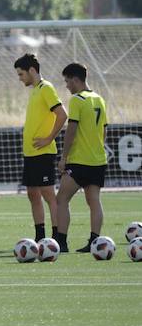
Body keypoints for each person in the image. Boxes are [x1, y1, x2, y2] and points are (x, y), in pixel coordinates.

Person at [54, 63, 108, 253]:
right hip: (98, 160)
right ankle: (95, 242)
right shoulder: (99, 99)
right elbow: (103, 130)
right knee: (94, 200)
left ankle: (61, 242)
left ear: (76, 80)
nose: (67, 85)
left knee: (61, 199)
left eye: (67, 81)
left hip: (79, 161)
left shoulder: (77, 100)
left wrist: (64, 157)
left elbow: (72, 130)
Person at [14, 53, 67, 242]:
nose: (20, 79)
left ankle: (56, 238)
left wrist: (48, 138)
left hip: (43, 153)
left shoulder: (46, 88)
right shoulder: (35, 90)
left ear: (32, 70)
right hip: (30, 153)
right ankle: (40, 237)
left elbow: (62, 114)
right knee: (32, 194)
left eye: (21, 74)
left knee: (48, 195)